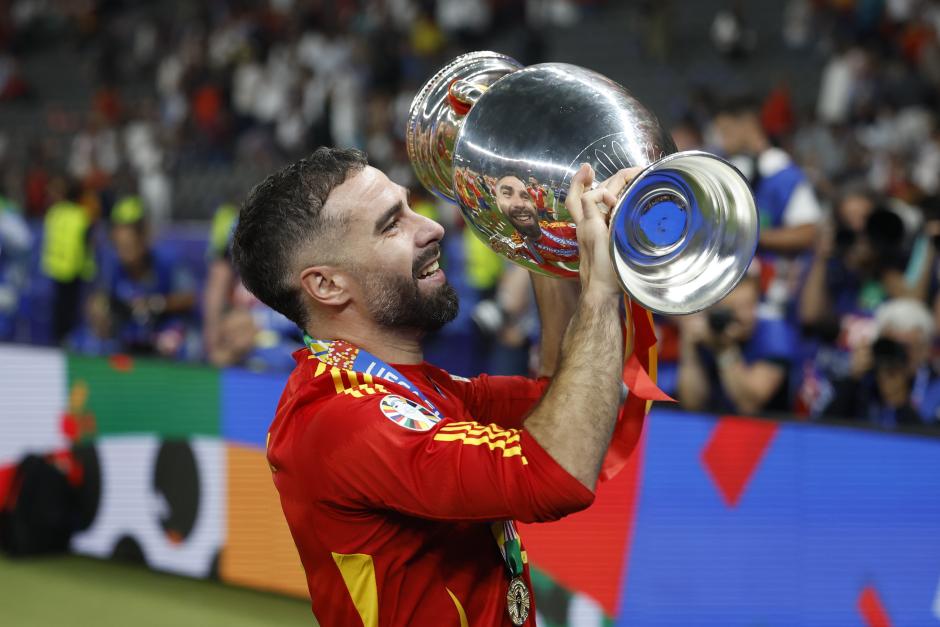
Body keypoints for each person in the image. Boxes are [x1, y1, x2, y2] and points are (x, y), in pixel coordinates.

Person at [231, 147, 638, 626]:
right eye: (391, 225)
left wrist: (539, 241)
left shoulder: (416, 388)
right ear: (327, 285)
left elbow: (564, 404)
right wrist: (599, 288)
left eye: (409, 206)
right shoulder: (342, 420)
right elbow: (556, 473)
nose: (432, 227)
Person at [712, 96, 822, 317]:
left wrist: (746, 236)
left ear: (748, 126)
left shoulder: (783, 174)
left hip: (778, 303)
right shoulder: (732, 173)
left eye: (726, 131)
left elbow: (810, 233)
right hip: (742, 298)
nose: (721, 142)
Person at [677, 266, 797, 416]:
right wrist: (690, 349)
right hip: (711, 426)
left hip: (770, 432)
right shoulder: (709, 330)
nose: (746, 317)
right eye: (735, 309)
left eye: (750, 306)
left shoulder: (775, 334)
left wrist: (725, 350)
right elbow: (692, 404)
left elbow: (748, 405)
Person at [88, 196, 197, 357]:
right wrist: (98, 310)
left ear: (143, 238)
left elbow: (189, 297)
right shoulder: (113, 266)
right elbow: (100, 299)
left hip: (164, 329)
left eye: (129, 246)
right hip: (127, 333)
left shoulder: (167, 260)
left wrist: (155, 304)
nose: (124, 253)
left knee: (181, 344)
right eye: (119, 246)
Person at [823, 298, 940, 427]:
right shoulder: (865, 380)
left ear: (924, 350)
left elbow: (931, 444)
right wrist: (852, 381)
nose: (896, 355)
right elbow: (823, 429)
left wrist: (901, 404)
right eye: (889, 345)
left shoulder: (935, 388)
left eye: (905, 348)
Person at [494, 174, 579, 277]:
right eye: (507, 194)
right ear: (497, 204)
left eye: (524, 196)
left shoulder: (558, 228)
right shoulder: (519, 247)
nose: (520, 204)